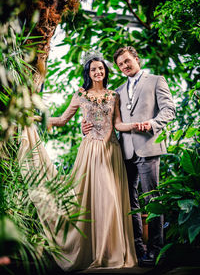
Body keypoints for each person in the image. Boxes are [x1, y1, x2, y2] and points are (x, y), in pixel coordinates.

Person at [22, 53, 139, 272]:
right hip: (89, 152)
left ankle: (110, 252)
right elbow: (61, 119)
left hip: (111, 151)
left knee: (111, 199)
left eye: (101, 69)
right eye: (94, 69)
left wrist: (136, 125)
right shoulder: (80, 95)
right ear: (88, 72)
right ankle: (94, 252)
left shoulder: (114, 95)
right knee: (91, 201)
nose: (98, 72)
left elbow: (118, 124)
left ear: (105, 71)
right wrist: (35, 118)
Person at [82, 46, 176, 266]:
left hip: (148, 147)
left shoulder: (156, 80)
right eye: (120, 64)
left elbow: (169, 110)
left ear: (137, 59)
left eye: (127, 61)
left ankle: (156, 250)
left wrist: (152, 124)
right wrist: (85, 127)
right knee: (130, 202)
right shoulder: (118, 90)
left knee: (152, 200)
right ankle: (137, 249)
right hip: (124, 152)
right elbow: (108, 121)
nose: (124, 66)